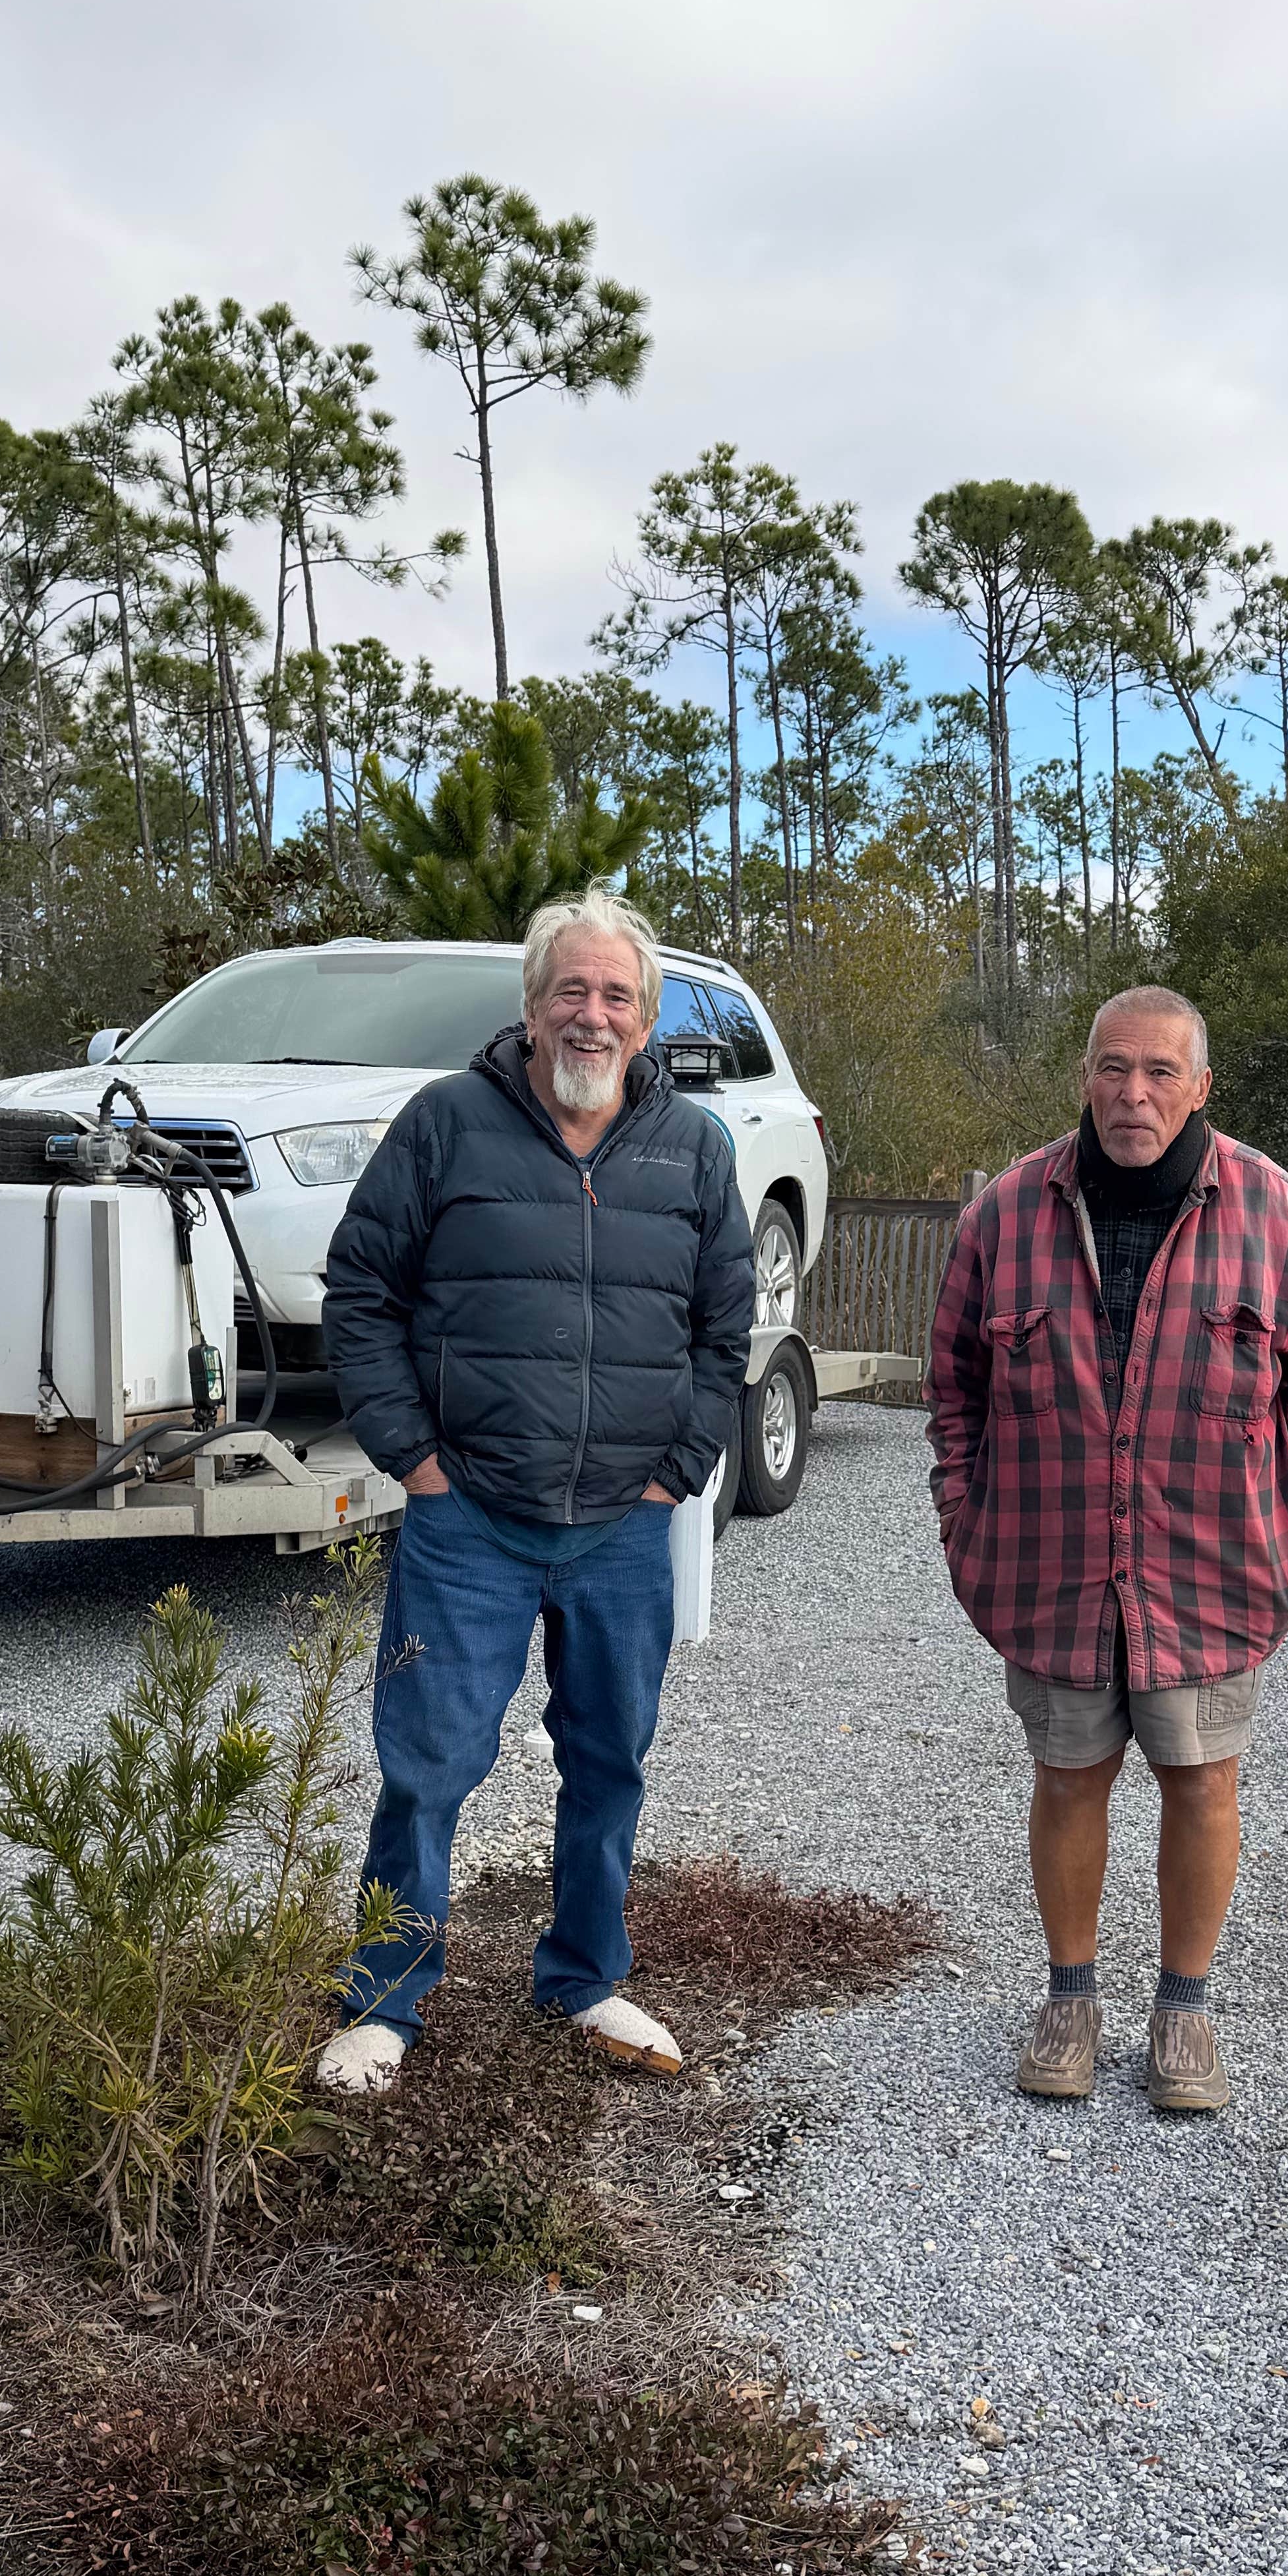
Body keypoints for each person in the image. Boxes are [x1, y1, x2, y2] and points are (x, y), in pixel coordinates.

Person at [316, 892, 754, 2094]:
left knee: (609, 1760)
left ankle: (584, 1978)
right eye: (573, 990)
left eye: (617, 995)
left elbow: (729, 1330)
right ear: (530, 1004)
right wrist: (417, 1462)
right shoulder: (447, 1125)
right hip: (472, 1523)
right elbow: (360, 1295)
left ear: (648, 1017)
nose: (592, 1015)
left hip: (624, 1524)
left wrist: (680, 1471)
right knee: (429, 1768)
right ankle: (385, 2004)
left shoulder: (695, 1149)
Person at [926, 986, 1288, 2112]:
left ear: (1201, 1088)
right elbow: (954, 1398)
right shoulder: (1005, 1218)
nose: (1135, 1093)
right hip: (1048, 1564)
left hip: (1213, 1570)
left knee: (1204, 1782)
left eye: (1161, 1072)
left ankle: (1186, 2010)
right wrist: (967, 1528)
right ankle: (1070, 1999)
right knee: (1069, 1781)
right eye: (1114, 1069)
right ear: (1084, 1077)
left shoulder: (1278, 1217)